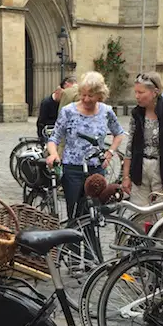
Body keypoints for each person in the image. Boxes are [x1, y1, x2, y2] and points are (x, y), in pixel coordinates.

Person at [45, 71, 125, 219]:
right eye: (83, 94)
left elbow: (119, 134)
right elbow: (54, 138)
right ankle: (72, 242)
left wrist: (110, 152)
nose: (86, 99)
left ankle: (92, 242)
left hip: (96, 169)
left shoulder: (106, 111)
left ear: (100, 95)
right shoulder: (68, 111)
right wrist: (54, 154)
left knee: (94, 214)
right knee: (74, 214)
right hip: (72, 169)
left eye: (91, 95)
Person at [122, 72, 163, 210]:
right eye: (136, 92)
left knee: (161, 212)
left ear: (155, 92)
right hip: (140, 168)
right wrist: (126, 176)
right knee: (139, 212)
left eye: (141, 92)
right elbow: (130, 146)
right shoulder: (137, 114)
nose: (137, 96)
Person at [37, 76, 76, 141]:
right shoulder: (46, 102)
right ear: (57, 92)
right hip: (50, 130)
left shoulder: (64, 102)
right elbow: (41, 121)